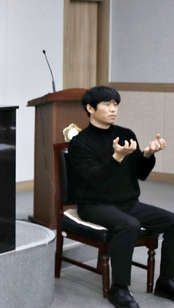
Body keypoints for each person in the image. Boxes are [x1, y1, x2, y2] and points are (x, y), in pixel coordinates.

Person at [69, 85, 174, 308]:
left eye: (115, 104)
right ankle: (119, 288)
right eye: (107, 104)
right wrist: (116, 157)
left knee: (173, 221)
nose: (113, 109)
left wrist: (147, 155)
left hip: (127, 202)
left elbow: (140, 174)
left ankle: (165, 282)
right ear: (90, 108)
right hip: (94, 204)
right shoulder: (80, 142)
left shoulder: (126, 134)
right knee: (129, 225)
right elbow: (93, 179)